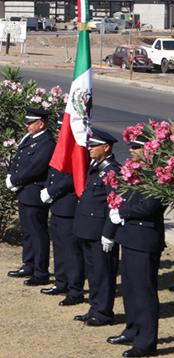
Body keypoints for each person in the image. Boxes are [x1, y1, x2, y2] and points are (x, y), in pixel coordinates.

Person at [105, 133, 164, 357]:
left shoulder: (159, 175)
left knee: (144, 292)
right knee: (130, 289)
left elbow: (149, 207)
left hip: (144, 239)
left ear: (149, 150)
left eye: (137, 147)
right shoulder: (135, 172)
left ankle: (145, 342)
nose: (131, 150)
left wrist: (122, 212)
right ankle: (132, 329)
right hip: (129, 237)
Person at [72, 129, 120, 328]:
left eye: (94, 145)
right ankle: (95, 308)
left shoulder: (113, 171)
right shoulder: (97, 167)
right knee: (92, 272)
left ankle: (104, 312)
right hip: (88, 230)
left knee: (103, 273)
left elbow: (114, 205)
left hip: (100, 231)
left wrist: (109, 233)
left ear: (106, 148)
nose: (89, 148)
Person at [6, 107, 57, 286]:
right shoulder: (30, 138)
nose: (27, 125)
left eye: (30, 122)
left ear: (41, 124)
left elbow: (36, 168)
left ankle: (41, 271)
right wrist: (11, 177)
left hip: (34, 192)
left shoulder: (47, 143)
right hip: (24, 191)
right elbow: (18, 159)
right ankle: (29, 264)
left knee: (38, 232)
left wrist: (15, 180)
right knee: (27, 231)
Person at [41, 146, 83, 306]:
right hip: (57, 205)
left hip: (68, 206)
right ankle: (61, 282)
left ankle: (75, 289)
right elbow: (52, 171)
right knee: (58, 247)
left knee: (71, 251)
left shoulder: (78, 149)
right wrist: (47, 188)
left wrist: (51, 191)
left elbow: (73, 177)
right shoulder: (62, 148)